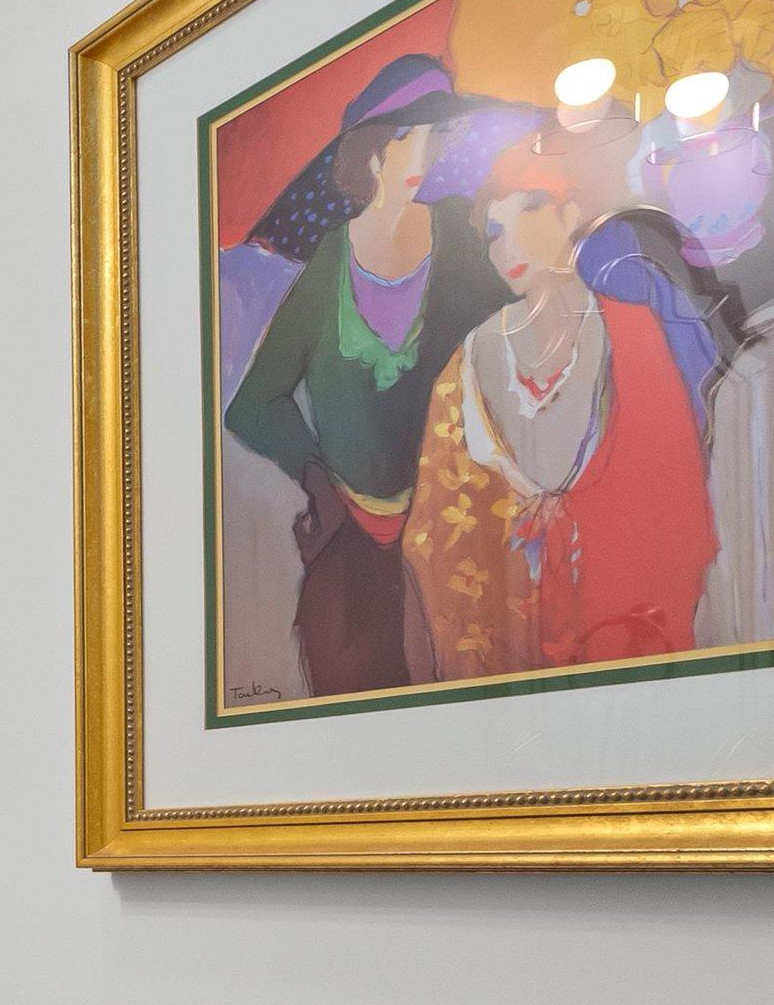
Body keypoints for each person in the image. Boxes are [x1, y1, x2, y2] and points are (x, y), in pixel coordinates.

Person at [225, 56, 524, 694]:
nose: (420, 153)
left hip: (457, 529)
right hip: (351, 538)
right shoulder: (331, 256)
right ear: (369, 148)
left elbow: (511, 343)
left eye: (434, 134)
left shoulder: (460, 236)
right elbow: (253, 405)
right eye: (403, 135)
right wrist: (318, 483)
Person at [401, 147, 721, 678]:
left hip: (622, 631)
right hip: (508, 646)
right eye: (494, 231)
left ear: (570, 215)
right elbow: (436, 527)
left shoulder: (634, 332)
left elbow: (678, 496)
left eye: (528, 211)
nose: (507, 246)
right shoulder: (473, 356)